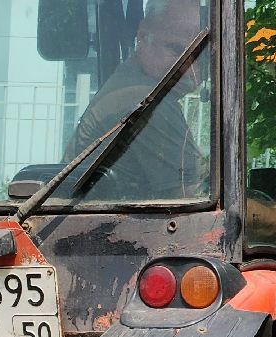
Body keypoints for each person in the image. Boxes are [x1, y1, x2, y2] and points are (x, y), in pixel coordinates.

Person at [65, 0, 206, 200]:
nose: (189, 68)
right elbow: (194, 202)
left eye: (199, 56)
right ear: (143, 37)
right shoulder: (148, 103)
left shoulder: (127, 83)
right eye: (176, 50)